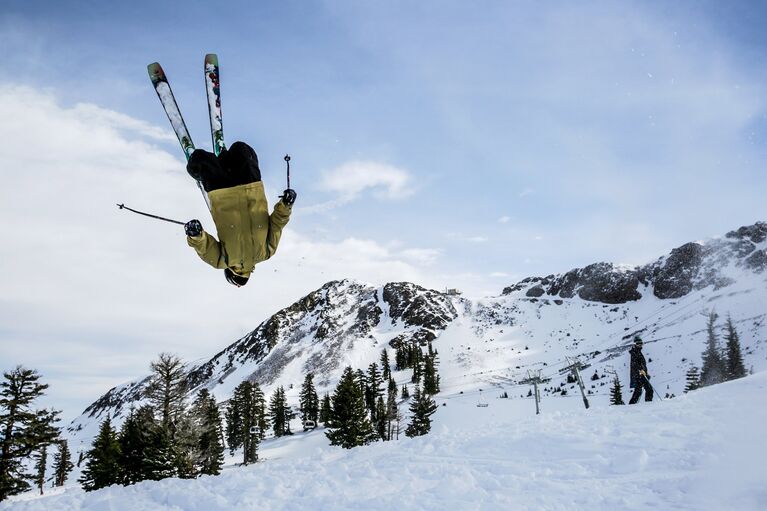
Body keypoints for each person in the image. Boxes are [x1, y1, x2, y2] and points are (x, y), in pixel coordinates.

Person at [183, 141, 296, 287]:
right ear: (229, 274)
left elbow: (204, 247)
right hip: (231, 192)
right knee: (238, 149)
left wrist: (196, 235)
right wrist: (286, 204)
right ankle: (222, 160)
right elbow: (276, 224)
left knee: (239, 151)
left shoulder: (224, 261)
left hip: (246, 189)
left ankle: (220, 163)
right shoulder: (264, 253)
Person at [628, 336, 653, 404]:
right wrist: (640, 370)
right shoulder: (634, 352)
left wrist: (646, 373)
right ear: (634, 344)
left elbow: (642, 364)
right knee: (649, 389)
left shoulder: (638, 352)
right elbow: (634, 364)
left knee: (638, 391)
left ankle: (632, 405)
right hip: (638, 375)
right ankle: (648, 404)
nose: (640, 345)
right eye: (638, 343)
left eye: (641, 343)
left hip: (641, 374)